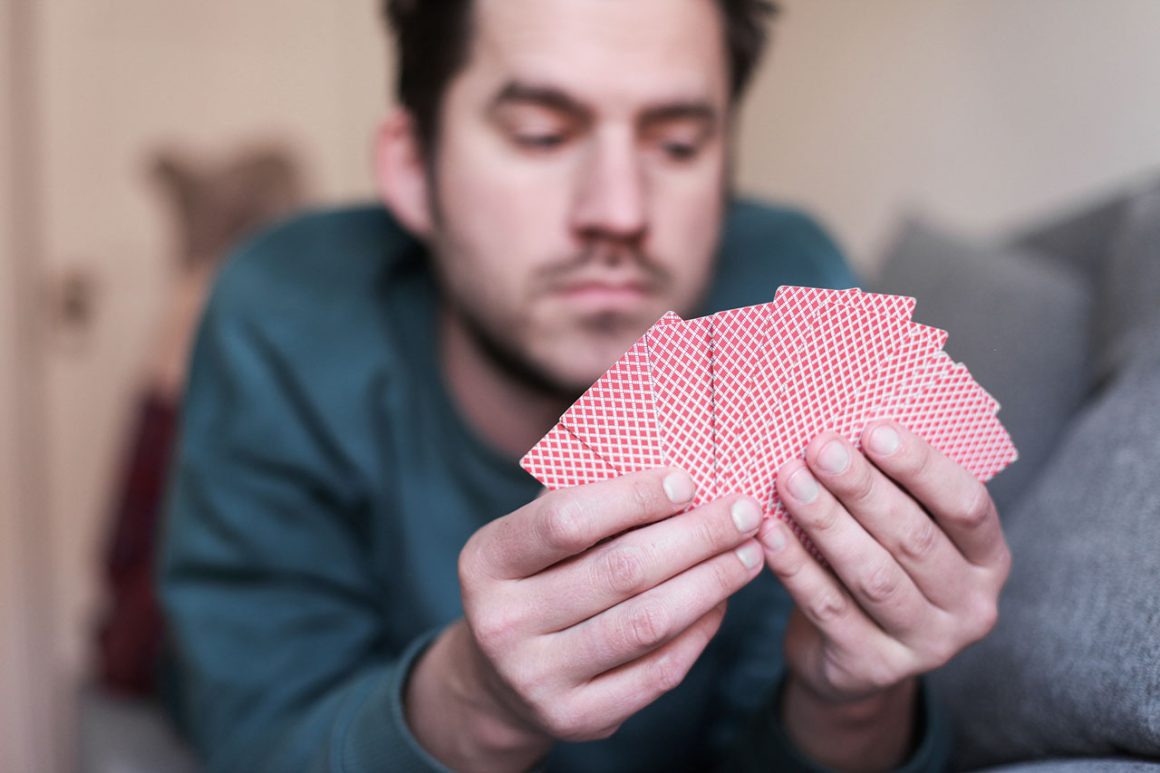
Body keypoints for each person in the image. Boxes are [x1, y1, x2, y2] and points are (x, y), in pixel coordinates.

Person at [160, 1, 1010, 770]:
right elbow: (256, 735)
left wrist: (853, 700)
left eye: (677, 144)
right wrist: (470, 697)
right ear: (414, 167)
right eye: (541, 134)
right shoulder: (279, 312)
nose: (618, 209)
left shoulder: (793, 291)